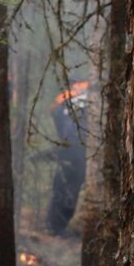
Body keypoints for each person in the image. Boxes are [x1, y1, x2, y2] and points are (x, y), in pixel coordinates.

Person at [46, 81, 90, 235]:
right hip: (73, 151)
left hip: (78, 151)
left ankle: (58, 226)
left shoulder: (77, 98)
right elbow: (58, 117)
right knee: (64, 187)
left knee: (69, 188)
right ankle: (55, 226)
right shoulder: (68, 99)